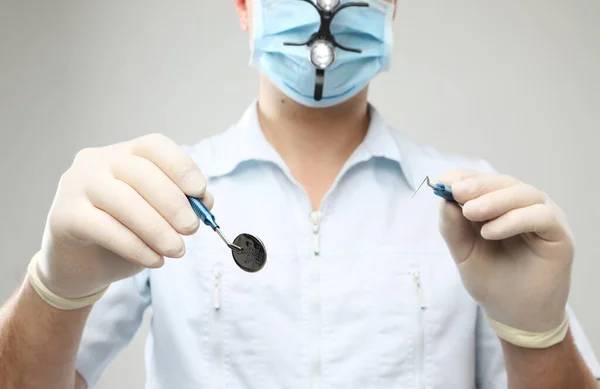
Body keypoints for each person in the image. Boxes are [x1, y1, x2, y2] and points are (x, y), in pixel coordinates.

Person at [0, 0, 599, 388]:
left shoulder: (472, 210)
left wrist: (538, 337)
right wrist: (53, 291)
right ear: (244, 7)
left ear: (392, 7)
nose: (326, 6)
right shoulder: (156, 196)